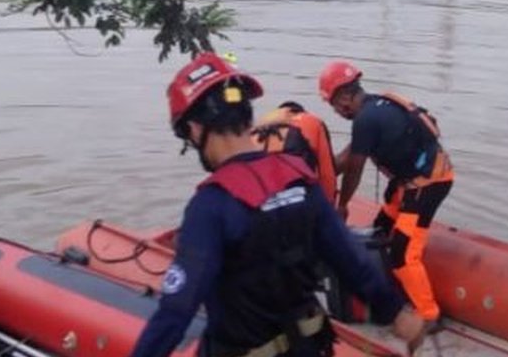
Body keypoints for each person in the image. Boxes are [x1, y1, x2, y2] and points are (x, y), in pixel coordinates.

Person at [130, 52, 424, 357]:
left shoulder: (211, 206)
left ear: (195, 128)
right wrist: (397, 314)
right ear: (247, 114)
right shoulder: (300, 182)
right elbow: (350, 261)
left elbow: (176, 312)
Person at [318, 60, 454, 327]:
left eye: (333, 106)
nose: (336, 112)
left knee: (403, 253)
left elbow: (355, 168)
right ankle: (394, 291)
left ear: (344, 97)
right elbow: (347, 157)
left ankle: (429, 316)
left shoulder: (366, 120)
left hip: (427, 185)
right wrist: (318, 170)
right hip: (409, 181)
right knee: (382, 227)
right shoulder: (377, 108)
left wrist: (342, 205)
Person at [253, 101, 339, 205]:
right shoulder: (313, 122)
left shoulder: (258, 127)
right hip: (299, 195)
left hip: (262, 200)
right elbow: (327, 173)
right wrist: (330, 207)